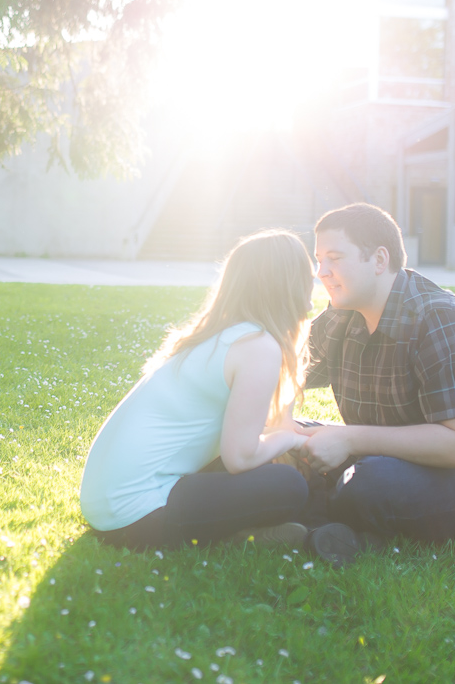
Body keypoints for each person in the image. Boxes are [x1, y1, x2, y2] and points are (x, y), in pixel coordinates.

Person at [299, 203, 455, 565]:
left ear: (379, 260)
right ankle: (338, 528)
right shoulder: (341, 317)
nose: (322, 272)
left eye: (334, 258)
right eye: (319, 260)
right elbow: (282, 373)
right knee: (296, 441)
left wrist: (348, 438)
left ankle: (321, 519)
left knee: (368, 483)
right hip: (390, 461)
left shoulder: (442, 319)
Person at [80, 229, 314, 550]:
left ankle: (262, 530)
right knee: (289, 485)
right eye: (308, 275)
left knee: (273, 463)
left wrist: (284, 434)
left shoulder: (221, 336)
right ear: (288, 284)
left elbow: (244, 429)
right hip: (137, 517)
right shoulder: (257, 345)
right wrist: (291, 438)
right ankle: (238, 539)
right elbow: (240, 457)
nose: (312, 285)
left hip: (105, 504)